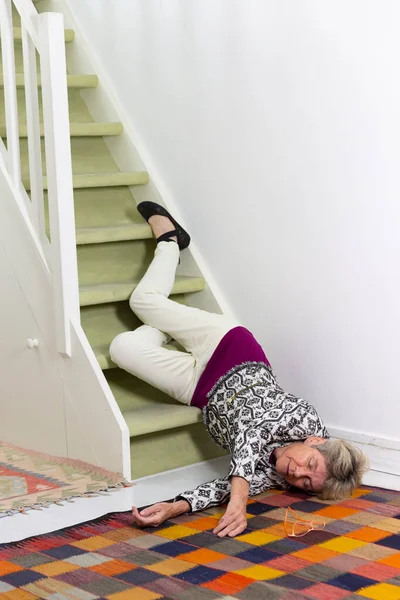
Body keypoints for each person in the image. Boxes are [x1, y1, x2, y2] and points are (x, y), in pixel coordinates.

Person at [110, 201, 369, 539]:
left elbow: (222, 486)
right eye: (310, 464)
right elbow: (251, 429)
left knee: (121, 348)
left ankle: (166, 325)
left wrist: (174, 507)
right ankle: (170, 241)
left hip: (200, 389)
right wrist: (240, 501)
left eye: (306, 483)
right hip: (228, 349)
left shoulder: (276, 475)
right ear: (316, 441)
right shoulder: (304, 418)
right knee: (142, 301)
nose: (297, 473)